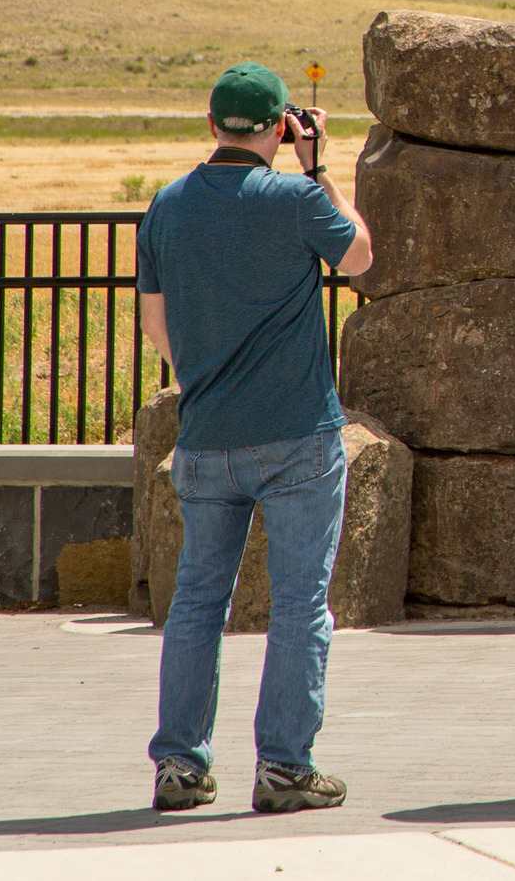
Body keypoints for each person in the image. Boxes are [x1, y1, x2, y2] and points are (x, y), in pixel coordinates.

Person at [139, 62, 373, 814]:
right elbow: (362, 256)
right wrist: (322, 165)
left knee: (198, 599)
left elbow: (156, 329)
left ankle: (179, 763)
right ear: (281, 127)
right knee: (301, 602)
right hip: (298, 433)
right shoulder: (297, 198)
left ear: (212, 125)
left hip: (207, 434)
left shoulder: (167, 207)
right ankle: (285, 766)